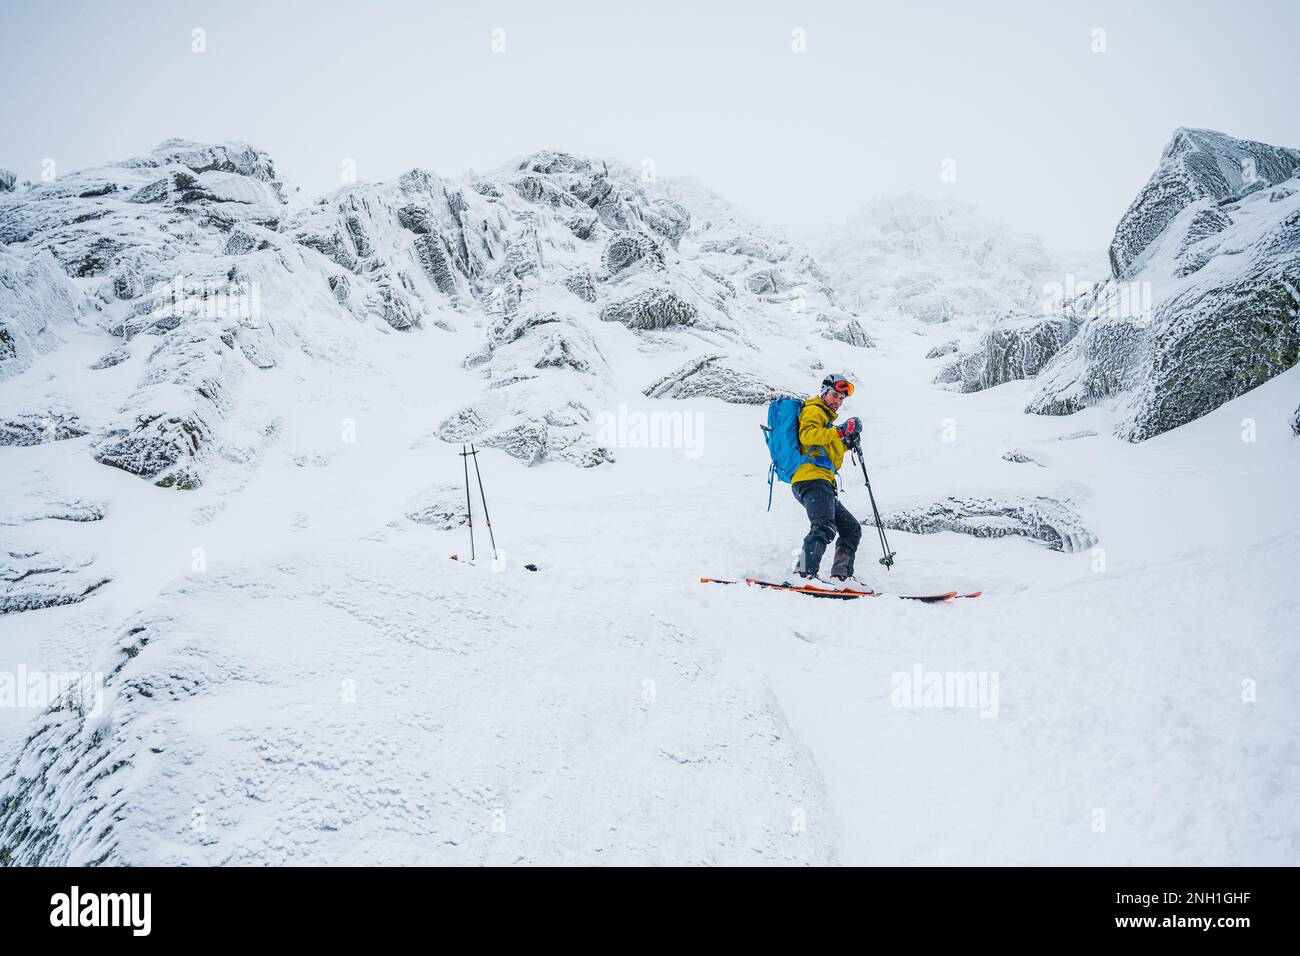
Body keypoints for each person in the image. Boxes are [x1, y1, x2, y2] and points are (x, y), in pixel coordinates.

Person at [792, 374, 864, 586]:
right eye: (834, 395)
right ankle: (803, 573)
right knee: (823, 525)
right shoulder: (814, 410)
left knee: (851, 528)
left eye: (842, 399)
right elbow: (808, 436)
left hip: (822, 481)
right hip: (811, 479)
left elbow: (829, 453)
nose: (837, 402)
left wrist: (846, 443)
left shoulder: (828, 422)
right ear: (823, 392)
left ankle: (841, 576)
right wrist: (839, 431)